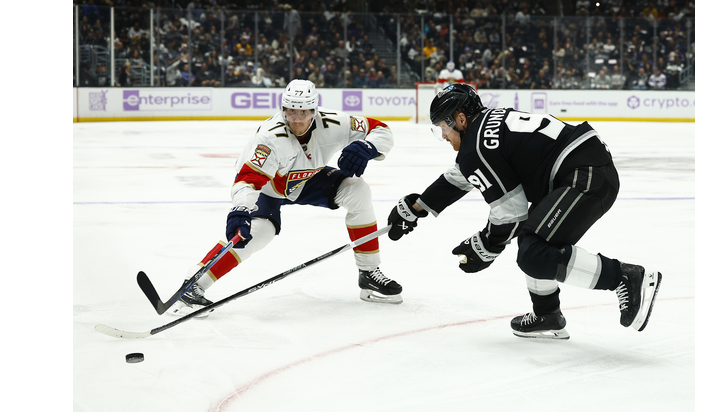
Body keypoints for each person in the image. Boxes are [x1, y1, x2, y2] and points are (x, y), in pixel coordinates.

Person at [386, 84, 661, 340]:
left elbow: (510, 212)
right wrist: (416, 208)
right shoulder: (487, 126)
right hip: (586, 166)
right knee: (534, 238)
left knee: (533, 250)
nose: (444, 136)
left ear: (459, 119)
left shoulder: (475, 148)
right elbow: (460, 177)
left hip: (584, 173)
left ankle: (624, 276)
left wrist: (486, 245)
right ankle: (547, 313)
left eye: (443, 127)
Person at [171, 79, 403, 316]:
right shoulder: (269, 138)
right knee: (258, 232)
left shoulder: (334, 123)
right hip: (269, 187)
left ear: (314, 111)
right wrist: (240, 209)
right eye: (291, 111)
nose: (297, 119)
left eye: (303, 112)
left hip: (306, 180)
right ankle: (194, 284)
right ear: (283, 110)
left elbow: (380, 128)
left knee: (358, 191)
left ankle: (368, 272)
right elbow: (249, 179)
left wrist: (368, 147)